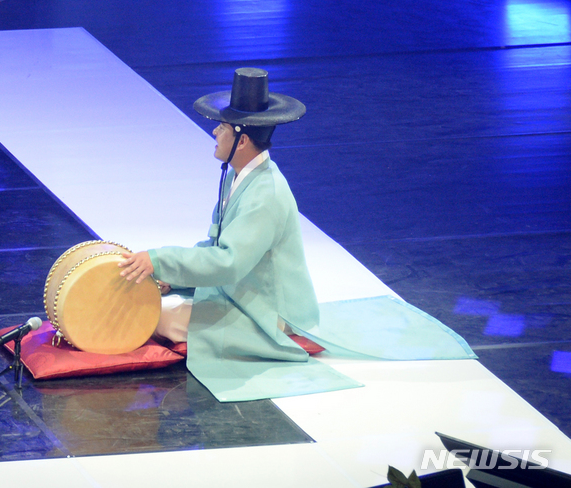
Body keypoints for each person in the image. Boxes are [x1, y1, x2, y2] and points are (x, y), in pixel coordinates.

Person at [118, 68, 476, 403]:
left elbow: (229, 262)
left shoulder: (265, 192)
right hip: (240, 292)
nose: (215, 133)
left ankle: (267, 334)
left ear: (242, 140)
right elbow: (215, 244)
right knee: (160, 306)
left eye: (223, 128)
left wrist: (160, 259)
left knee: (158, 318)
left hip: (265, 308)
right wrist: (168, 276)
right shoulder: (239, 175)